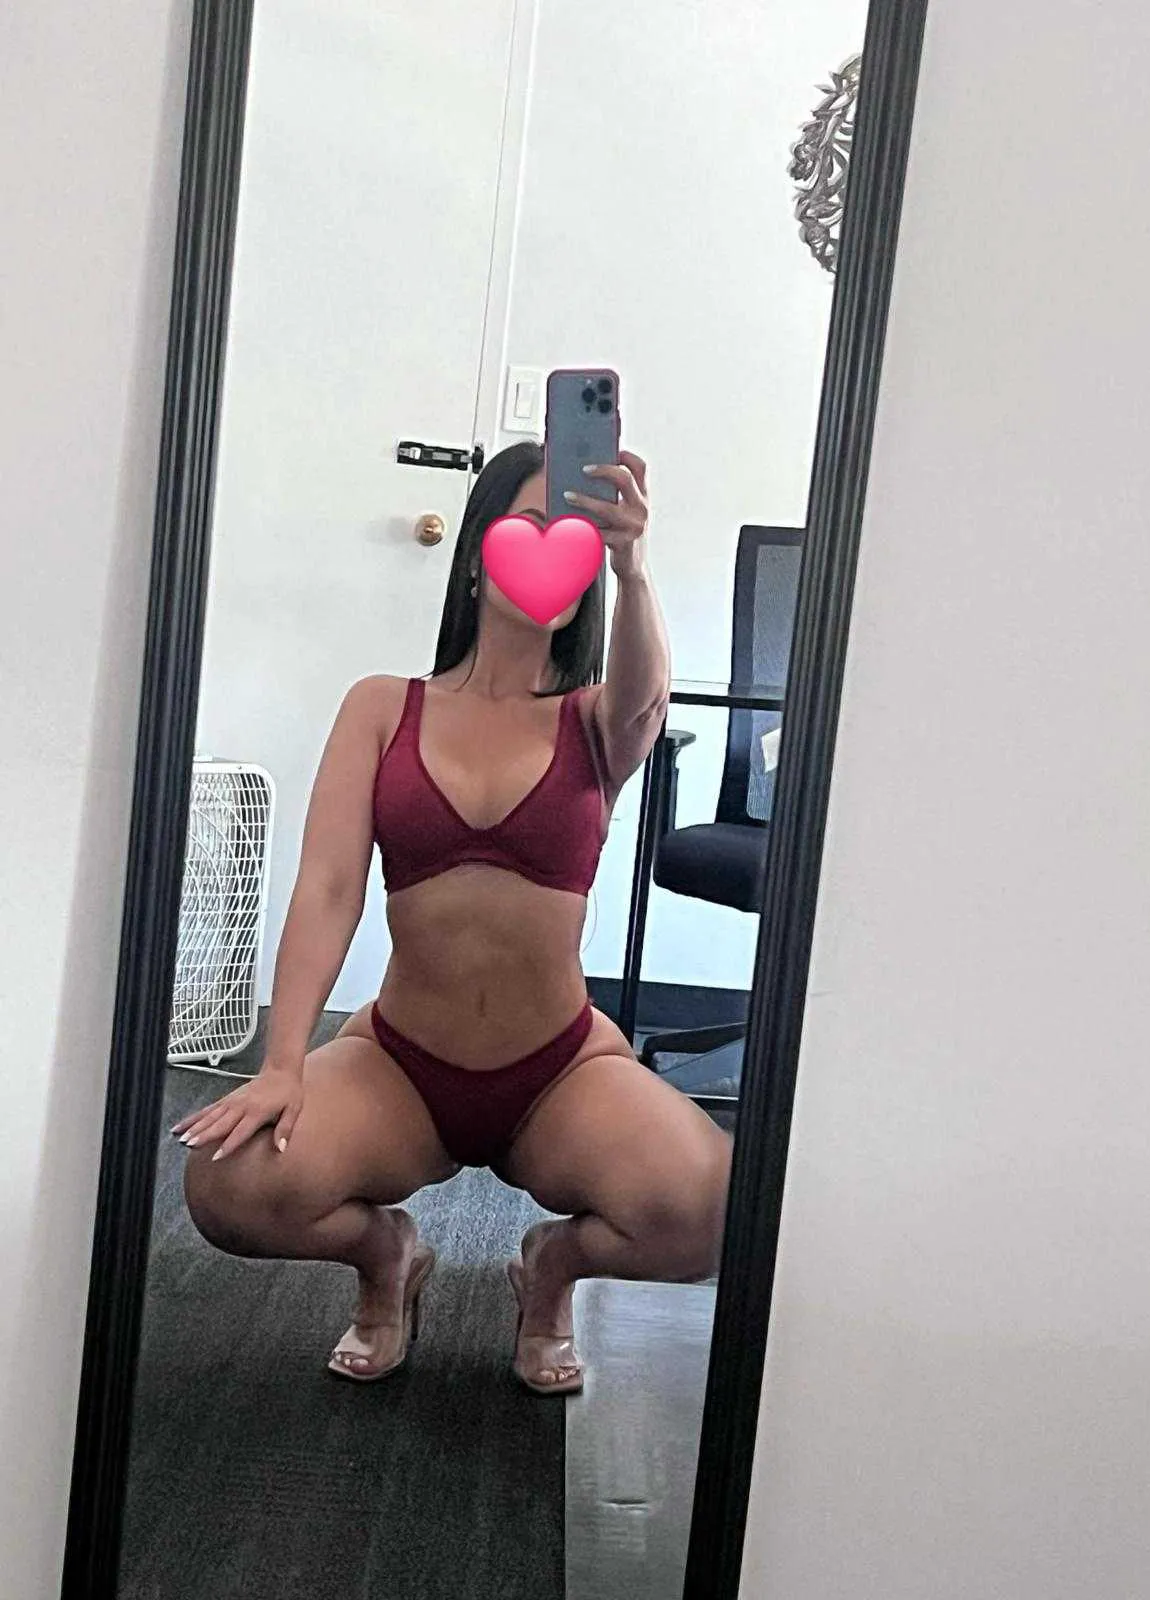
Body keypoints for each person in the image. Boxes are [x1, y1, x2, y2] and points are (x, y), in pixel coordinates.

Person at [175, 441, 732, 1394]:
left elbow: (646, 705)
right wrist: (282, 1064)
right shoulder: (381, 708)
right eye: (532, 522)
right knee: (228, 1187)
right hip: (401, 1065)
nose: (554, 545)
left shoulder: (595, 722)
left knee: (714, 1212)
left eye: (576, 533)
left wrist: (633, 567)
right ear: (475, 553)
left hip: (558, 1072)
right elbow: (328, 888)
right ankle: (386, 1257)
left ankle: (550, 1270)